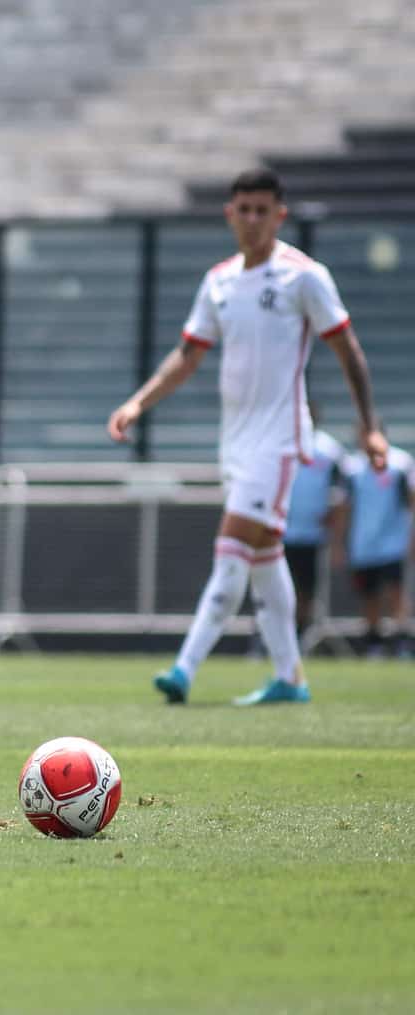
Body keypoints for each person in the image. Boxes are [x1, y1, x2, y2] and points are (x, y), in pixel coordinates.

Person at [108, 167, 389, 705]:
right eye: (245, 210)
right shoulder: (219, 281)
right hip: (234, 442)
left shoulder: (304, 277)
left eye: (263, 211)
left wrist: (370, 428)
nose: (253, 220)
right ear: (230, 214)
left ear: (279, 216)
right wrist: (138, 402)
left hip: (279, 440)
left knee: (231, 549)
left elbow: (348, 350)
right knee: (263, 557)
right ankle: (290, 678)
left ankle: (184, 669)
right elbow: (188, 355)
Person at [338, 438, 414, 658]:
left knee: (396, 592)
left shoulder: (400, 465)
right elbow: (345, 507)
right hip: (363, 544)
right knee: (369, 595)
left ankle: (401, 641)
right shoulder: (353, 468)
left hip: (393, 543)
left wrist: (411, 539)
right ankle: (374, 643)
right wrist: (340, 543)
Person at [279, 406, 347, 646]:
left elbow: (340, 493)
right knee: (277, 588)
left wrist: (334, 526)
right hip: (280, 531)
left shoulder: (329, 451)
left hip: (311, 534)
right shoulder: (281, 444)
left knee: (306, 588)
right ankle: (271, 636)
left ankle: (300, 635)